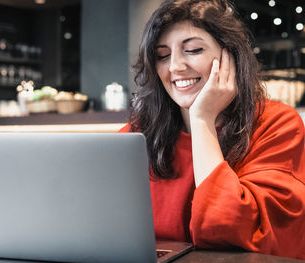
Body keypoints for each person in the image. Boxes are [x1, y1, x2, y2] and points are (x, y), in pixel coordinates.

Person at [119, 0, 305, 260]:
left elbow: (226, 229)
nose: (175, 66)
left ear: (230, 55)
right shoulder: (137, 135)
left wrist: (203, 119)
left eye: (193, 50)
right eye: (163, 55)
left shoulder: (276, 125)